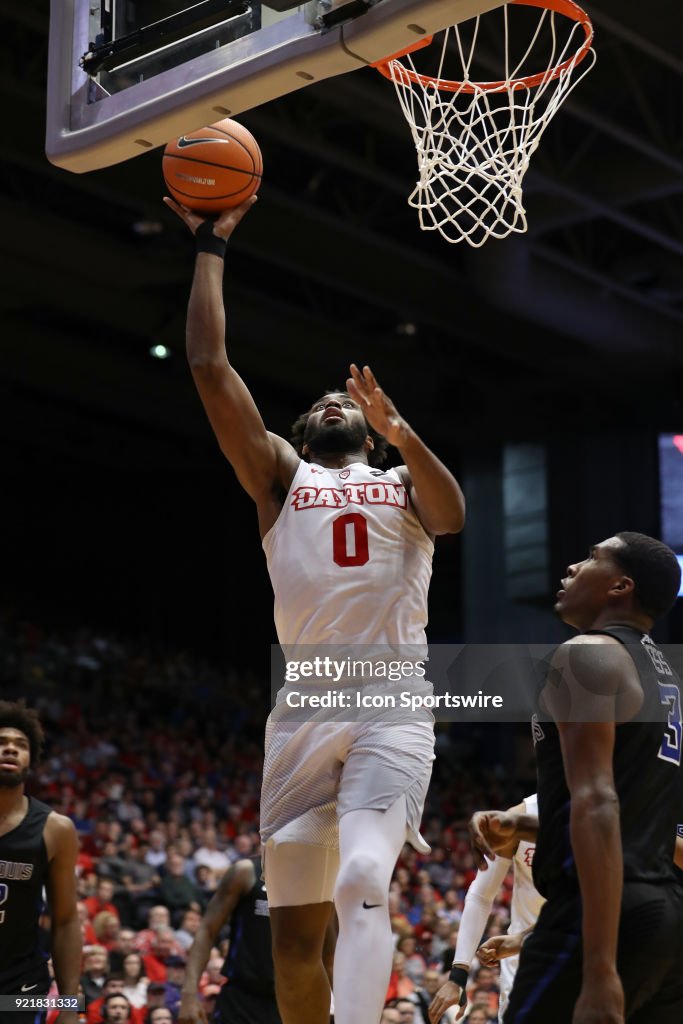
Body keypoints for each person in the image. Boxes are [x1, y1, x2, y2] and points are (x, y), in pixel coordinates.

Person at [164, 192, 465, 1024]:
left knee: (365, 878)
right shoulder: (278, 478)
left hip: (389, 697)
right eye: (319, 405)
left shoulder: (402, 480)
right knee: (293, 942)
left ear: (368, 435)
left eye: (346, 406)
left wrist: (402, 432)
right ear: (300, 430)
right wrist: (210, 248)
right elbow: (208, 367)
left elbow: (453, 518)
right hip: (301, 707)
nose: (333, 403)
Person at [470, 533, 683, 1023]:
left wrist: (600, 968)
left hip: (600, 912)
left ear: (620, 586)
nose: (570, 567)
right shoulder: (664, 674)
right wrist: (526, 829)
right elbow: (637, 816)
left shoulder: (587, 653)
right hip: (662, 909)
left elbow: (599, 802)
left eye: (590, 558)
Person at [0, 701, 82, 1024]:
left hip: (21, 990)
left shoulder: (55, 828)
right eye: (1, 743)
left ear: (31, 760)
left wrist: (72, 1005)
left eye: (20, 746)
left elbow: (65, 920)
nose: (10, 750)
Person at [429, 796, 544, 1023]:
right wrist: (458, 974)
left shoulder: (610, 811)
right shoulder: (521, 815)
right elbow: (481, 895)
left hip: (583, 950)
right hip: (523, 959)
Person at [178, 854, 282, 1024]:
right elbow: (207, 930)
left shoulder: (313, 877)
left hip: (293, 998)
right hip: (243, 998)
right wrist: (189, 995)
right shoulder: (246, 872)